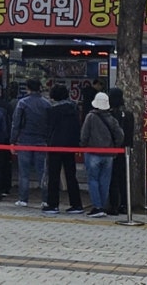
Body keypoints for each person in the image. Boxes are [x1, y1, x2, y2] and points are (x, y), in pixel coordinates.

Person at [80, 91, 123, 218]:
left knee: (93, 179)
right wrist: (115, 147)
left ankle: (97, 207)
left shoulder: (90, 117)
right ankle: (102, 206)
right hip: (109, 154)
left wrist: (83, 146)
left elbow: (84, 135)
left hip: (93, 152)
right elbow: (120, 135)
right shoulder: (112, 119)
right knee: (105, 181)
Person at [44, 85, 84, 214]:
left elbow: (48, 129)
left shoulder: (52, 111)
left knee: (53, 175)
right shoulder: (74, 109)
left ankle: (53, 204)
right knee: (71, 175)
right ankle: (76, 204)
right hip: (70, 145)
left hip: (55, 145)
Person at [10, 78, 51, 207]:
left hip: (24, 140)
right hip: (41, 141)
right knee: (42, 172)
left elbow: (16, 124)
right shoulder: (47, 104)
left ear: (27, 88)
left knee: (24, 172)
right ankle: (45, 199)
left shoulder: (22, 103)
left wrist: (13, 141)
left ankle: (23, 199)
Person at [107, 87, 134, 216]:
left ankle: (113, 205)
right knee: (124, 178)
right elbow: (131, 133)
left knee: (113, 178)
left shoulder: (109, 114)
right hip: (125, 150)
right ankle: (124, 204)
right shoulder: (128, 114)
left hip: (113, 149)